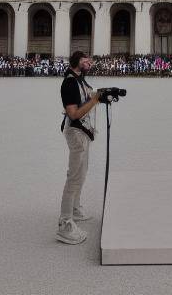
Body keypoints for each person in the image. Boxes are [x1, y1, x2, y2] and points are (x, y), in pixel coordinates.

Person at [57, 51, 100, 245]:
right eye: (85, 59)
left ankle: (75, 209)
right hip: (76, 132)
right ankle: (65, 223)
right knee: (74, 177)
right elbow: (73, 114)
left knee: (82, 173)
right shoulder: (70, 82)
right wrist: (94, 100)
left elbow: (88, 98)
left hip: (84, 132)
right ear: (76, 62)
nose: (89, 61)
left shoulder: (80, 80)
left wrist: (101, 96)